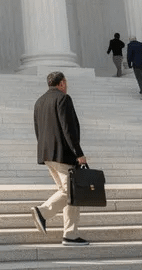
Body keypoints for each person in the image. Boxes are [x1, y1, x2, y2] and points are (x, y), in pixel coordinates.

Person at [30, 71, 90, 246]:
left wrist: (45, 151)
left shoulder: (39, 102)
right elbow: (67, 128)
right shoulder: (63, 98)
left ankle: (70, 235)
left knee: (70, 194)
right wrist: (79, 153)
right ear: (62, 83)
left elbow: (37, 130)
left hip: (48, 154)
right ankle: (43, 212)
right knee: (70, 192)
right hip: (63, 155)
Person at [125, 36, 142, 100]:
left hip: (137, 64)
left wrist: (129, 64)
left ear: (130, 40)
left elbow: (129, 55)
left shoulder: (130, 45)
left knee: (140, 79)